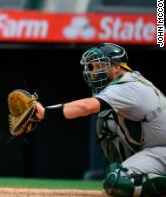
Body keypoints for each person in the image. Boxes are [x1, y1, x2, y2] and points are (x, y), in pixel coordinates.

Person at [31, 43, 166, 197]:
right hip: (154, 147)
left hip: (162, 150)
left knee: (117, 183)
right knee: (106, 120)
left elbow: (87, 106)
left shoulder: (128, 86)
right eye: (93, 67)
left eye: (100, 66)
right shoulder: (126, 80)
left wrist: (45, 112)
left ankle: (130, 174)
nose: (94, 72)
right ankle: (126, 168)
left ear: (116, 67)